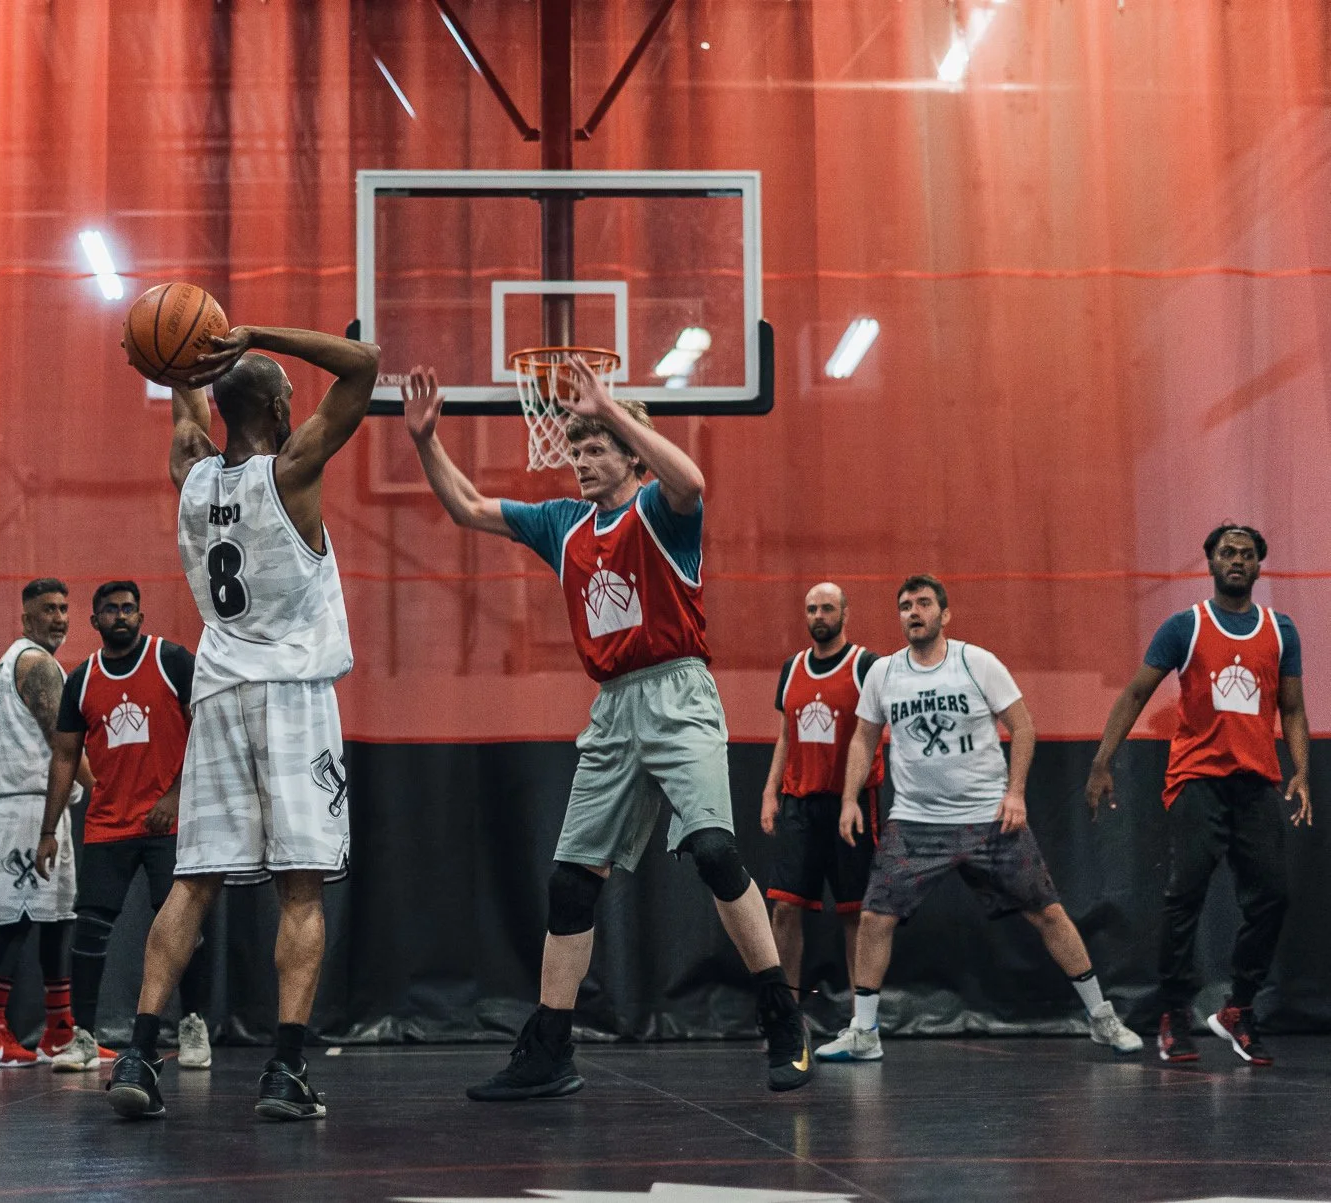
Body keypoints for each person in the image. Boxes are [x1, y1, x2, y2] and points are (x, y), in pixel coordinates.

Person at [403, 360, 813, 1099]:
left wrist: (613, 412)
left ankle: (782, 1014)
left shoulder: (660, 510)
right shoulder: (563, 524)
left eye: (594, 448)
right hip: (614, 707)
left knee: (715, 849)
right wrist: (426, 441)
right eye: (577, 448)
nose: (581, 460)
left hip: (680, 691)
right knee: (569, 884)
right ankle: (550, 1050)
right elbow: (467, 507)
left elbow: (692, 481)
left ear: (628, 453)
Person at [105, 324, 379, 1121]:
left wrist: (178, 357)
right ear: (272, 404)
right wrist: (255, 335)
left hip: (219, 692)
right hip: (291, 693)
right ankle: (286, 1070)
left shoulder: (190, 472)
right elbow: (362, 366)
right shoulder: (294, 469)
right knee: (300, 887)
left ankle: (137, 1053)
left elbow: (191, 407)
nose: (299, 400)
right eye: (288, 393)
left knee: (193, 881)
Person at [829, 574, 1141, 1061]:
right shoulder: (883, 673)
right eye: (906, 605)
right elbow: (863, 738)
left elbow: (1022, 725)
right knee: (874, 917)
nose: (914, 612)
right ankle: (865, 1034)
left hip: (987, 820)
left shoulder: (977, 663)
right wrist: (849, 798)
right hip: (915, 823)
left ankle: (1101, 1017)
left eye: (924, 603)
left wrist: (1015, 793)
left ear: (944, 614)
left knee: (1048, 913)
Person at [1086, 523, 1310, 1066]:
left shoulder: (1281, 631)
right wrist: (1102, 759)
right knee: (1185, 897)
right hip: (1197, 781)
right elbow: (1137, 691)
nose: (1237, 559)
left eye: (1247, 553)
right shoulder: (1185, 626)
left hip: (1257, 782)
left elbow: (1294, 710)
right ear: (1210, 562)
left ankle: (1239, 1009)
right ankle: (1174, 1012)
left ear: (1259, 567)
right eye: (1227, 552)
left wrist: (1301, 772)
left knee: (1273, 897)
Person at [37, 580, 211, 1073]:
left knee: (182, 926)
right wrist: (49, 830)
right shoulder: (81, 678)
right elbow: (65, 755)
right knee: (90, 930)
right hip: (108, 825)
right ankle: (86, 1038)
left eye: (129, 608)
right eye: (111, 610)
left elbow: (208, 729)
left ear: (140, 615)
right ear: (94, 622)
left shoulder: (171, 660)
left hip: (168, 823)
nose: (121, 616)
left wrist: (176, 795)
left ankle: (194, 1025)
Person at [759, 582, 884, 1058]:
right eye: (811, 608)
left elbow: (874, 731)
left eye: (827, 607)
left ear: (845, 613)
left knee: (856, 915)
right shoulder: (792, 668)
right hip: (799, 804)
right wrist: (771, 792)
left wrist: (854, 795)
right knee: (785, 910)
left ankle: (863, 1026)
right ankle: (785, 1021)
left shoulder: (866, 665)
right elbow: (786, 735)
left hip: (850, 804)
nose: (818, 615)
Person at [0, 579, 86, 1067]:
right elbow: (66, 746)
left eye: (63, 608)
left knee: (57, 917)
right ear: (26, 618)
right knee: (15, 918)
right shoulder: (35, 663)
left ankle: (59, 1031)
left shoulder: (30, 661)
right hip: (23, 805)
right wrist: (105, 796)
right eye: (47, 610)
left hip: (45, 802)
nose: (58, 617)